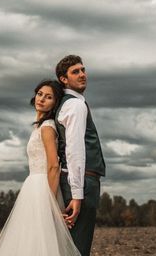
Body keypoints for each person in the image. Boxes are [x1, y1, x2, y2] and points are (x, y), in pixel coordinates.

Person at [0, 79, 81, 256]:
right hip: (33, 187)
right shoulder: (39, 127)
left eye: (48, 97)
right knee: (30, 239)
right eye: (40, 94)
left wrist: (51, 202)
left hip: (43, 187)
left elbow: (54, 165)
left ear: (55, 103)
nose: (41, 99)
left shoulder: (47, 127)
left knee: (41, 239)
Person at [54, 55, 106, 256]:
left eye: (83, 70)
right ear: (63, 79)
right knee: (78, 248)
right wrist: (77, 195)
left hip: (78, 179)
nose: (82, 74)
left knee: (73, 247)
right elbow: (74, 150)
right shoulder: (75, 105)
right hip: (82, 180)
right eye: (75, 71)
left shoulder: (69, 103)